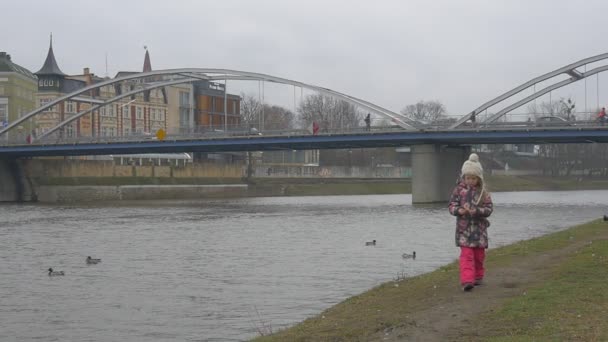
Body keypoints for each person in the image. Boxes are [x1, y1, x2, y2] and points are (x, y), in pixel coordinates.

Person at [448, 153, 493, 292]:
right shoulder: (458, 191)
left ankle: (478, 277)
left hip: (479, 231)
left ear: (478, 178)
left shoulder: (483, 193)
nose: (470, 181)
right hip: (464, 231)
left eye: (473, 178)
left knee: (479, 256)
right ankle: (467, 280)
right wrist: (460, 210)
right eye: (468, 178)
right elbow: (451, 206)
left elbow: (489, 209)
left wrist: (477, 211)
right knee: (466, 256)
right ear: (464, 177)